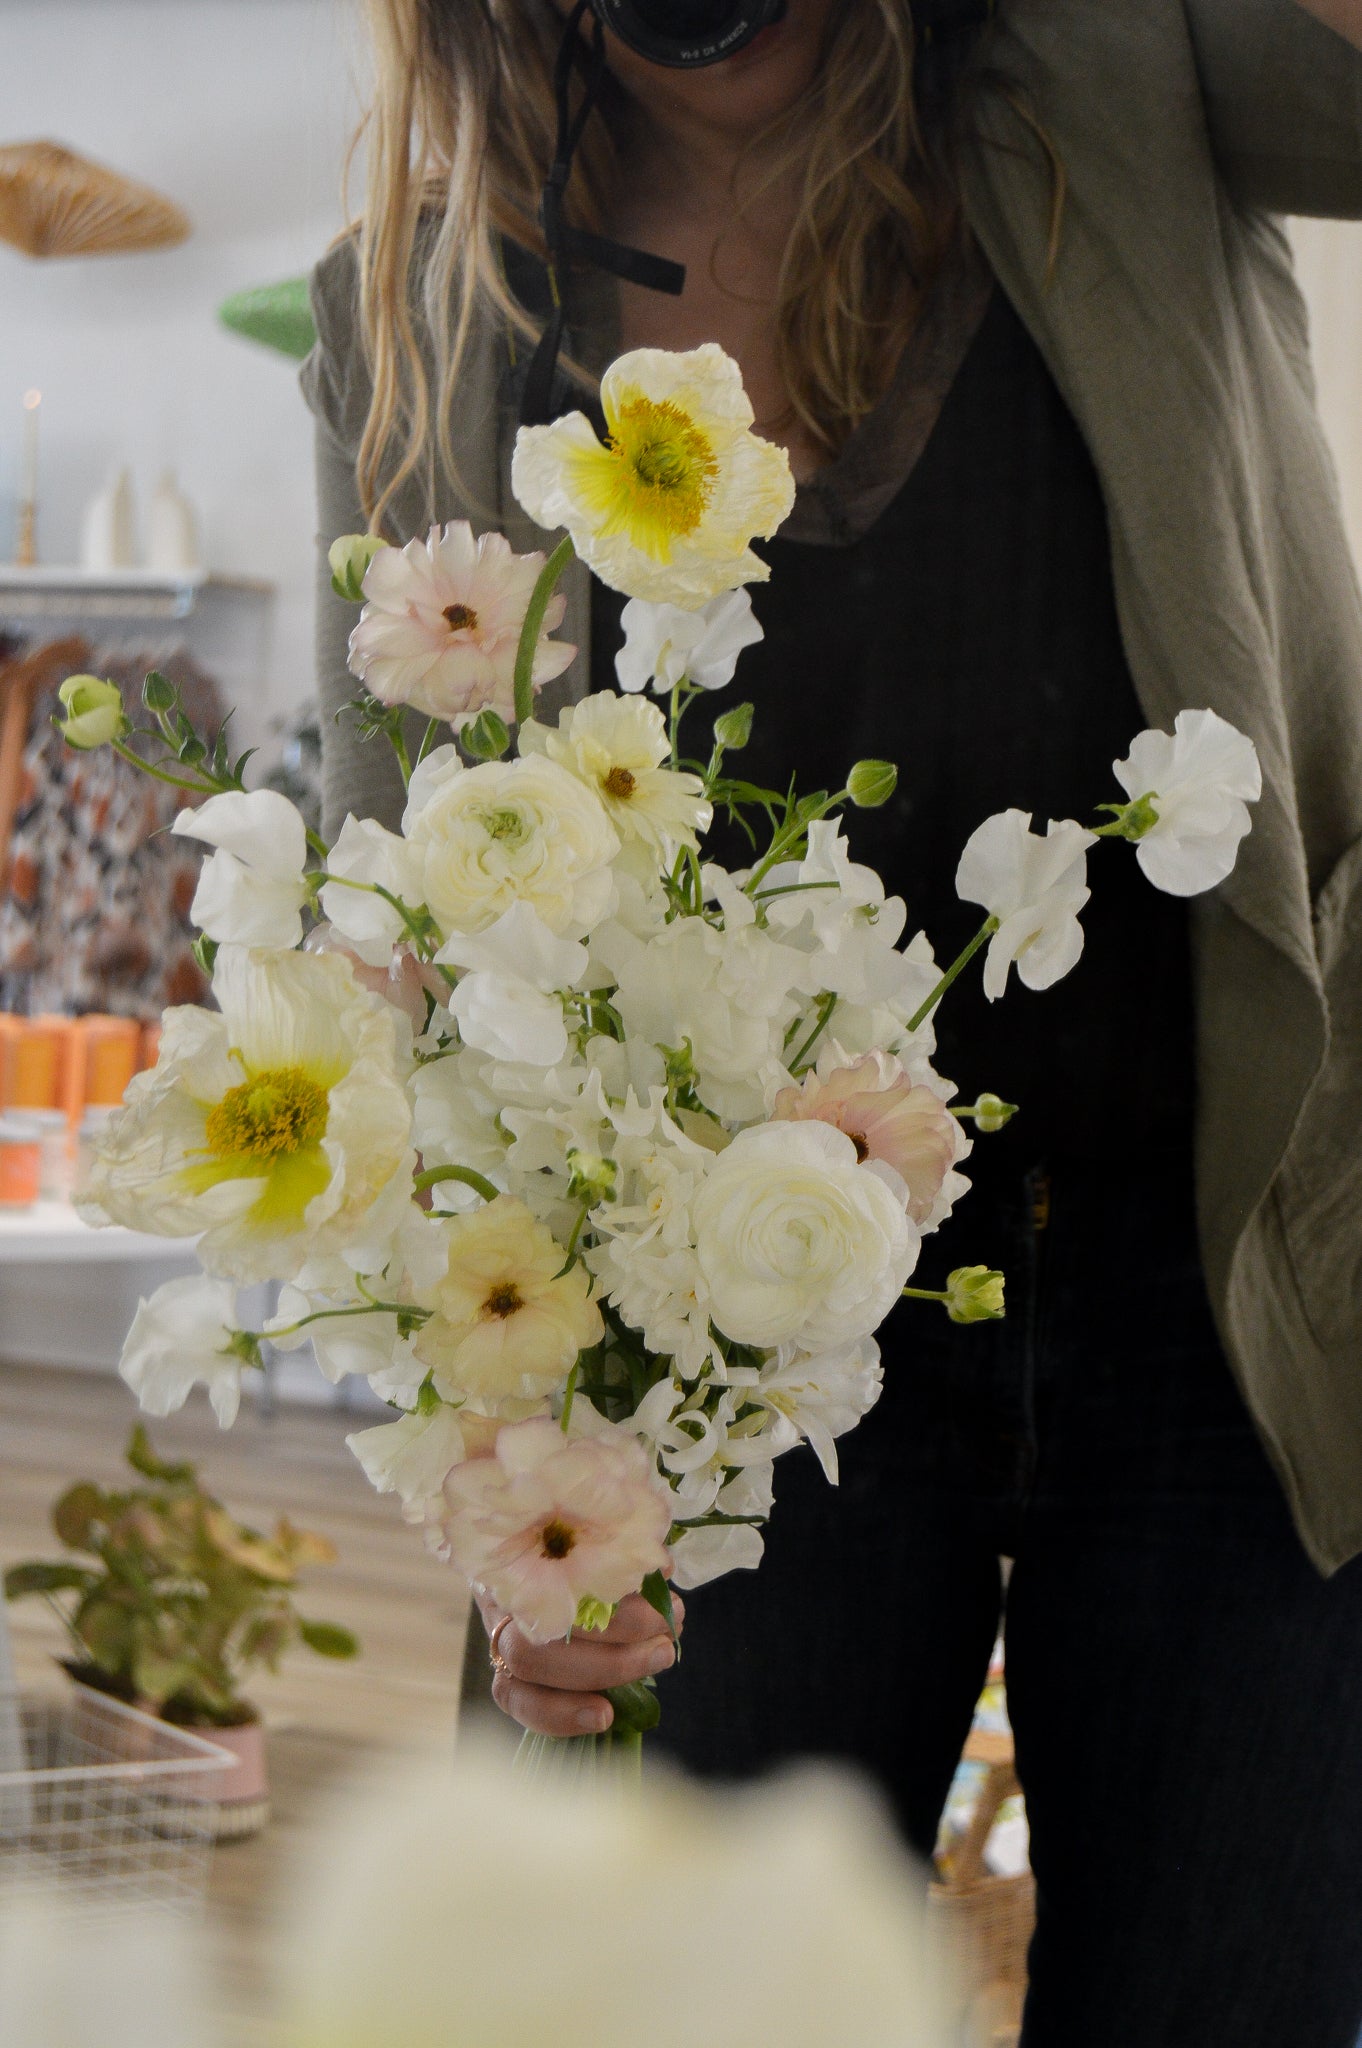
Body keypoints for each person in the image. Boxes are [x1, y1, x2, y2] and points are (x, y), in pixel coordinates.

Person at [301, 5, 1362, 2041]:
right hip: (723, 1362)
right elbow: (406, 953)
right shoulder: (432, 308)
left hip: (1233, 1284)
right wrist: (524, 1493)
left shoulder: (1117, 78)